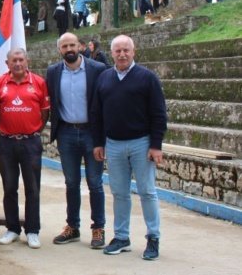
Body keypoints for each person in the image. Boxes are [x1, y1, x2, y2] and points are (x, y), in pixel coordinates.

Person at [91, 35, 167, 261]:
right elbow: (96, 113)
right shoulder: (104, 78)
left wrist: (156, 145)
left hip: (141, 143)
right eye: (118, 51)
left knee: (147, 192)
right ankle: (122, 237)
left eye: (126, 50)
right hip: (113, 144)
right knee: (119, 193)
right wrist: (98, 142)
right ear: (112, 53)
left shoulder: (147, 78)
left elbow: (159, 113)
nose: (122, 54)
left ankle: (153, 238)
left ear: (133, 52)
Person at [47, 33, 108, 249]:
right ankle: (72, 226)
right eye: (64, 46)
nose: (69, 49)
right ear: (59, 49)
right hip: (66, 133)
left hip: (92, 134)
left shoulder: (97, 70)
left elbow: (104, 103)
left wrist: (103, 137)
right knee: (71, 183)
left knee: (95, 183)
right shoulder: (53, 72)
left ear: (80, 46)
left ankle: (98, 228)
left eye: (72, 44)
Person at [0, 48, 49, 249]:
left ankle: (32, 230)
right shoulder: (0, 83)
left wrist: (31, 131)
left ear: (27, 61)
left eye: (21, 60)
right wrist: (10, 129)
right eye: (13, 60)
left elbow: (44, 113)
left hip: (30, 143)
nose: (17, 63)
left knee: (32, 188)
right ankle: (12, 228)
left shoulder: (39, 83)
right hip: (7, 142)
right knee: (9, 187)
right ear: (7, 63)